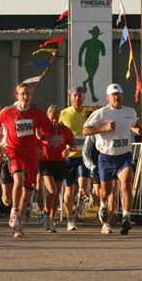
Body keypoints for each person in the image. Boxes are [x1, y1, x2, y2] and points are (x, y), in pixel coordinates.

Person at [83, 83, 142, 235]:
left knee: (126, 184)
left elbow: (133, 124)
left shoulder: (130, 111)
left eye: (118, 94)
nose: (116, 97)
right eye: (113, 95)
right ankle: (103, 205)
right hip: (106, 157)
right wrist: (103, 128)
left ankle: (126, 218)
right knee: (106, 191)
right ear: (108, 97)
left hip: (124, 156)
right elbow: (86, 130)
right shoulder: (101, 113)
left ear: (122, 95)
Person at [0, 82, 53, 238]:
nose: (25, 97)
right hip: (13, 151)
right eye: (23, 94)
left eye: (28, 94)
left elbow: (48, 131)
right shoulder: (8, 113)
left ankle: (17, 223)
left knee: (26, 193)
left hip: (31, 155)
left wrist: (42, 137)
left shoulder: (37, 113)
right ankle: (14, 210)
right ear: (16, 95)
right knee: (18, 179)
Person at [39, 105, 74, 232]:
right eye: (52, 118)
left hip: (59, 163)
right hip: (46, 162)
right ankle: (46, 217)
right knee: (52, 190)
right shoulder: (42, 129)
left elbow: (73, 145)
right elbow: (36, 141)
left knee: (56, 193)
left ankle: (51, 221)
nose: (54, 121)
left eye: (56, 118)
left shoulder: (64, 130)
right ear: (47, 117)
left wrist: (68, 150)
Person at [60, 87, 90, 231]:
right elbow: (56, 130)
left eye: (81, 96)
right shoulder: (64, 114)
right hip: (69, 157)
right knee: (69, 190)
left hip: (84, 156)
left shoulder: (88, 113)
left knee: (83, 184)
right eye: (75, 96)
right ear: (71, 97)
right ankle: (70, 218)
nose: (78, 98)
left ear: (84, 97)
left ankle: (81, 203)